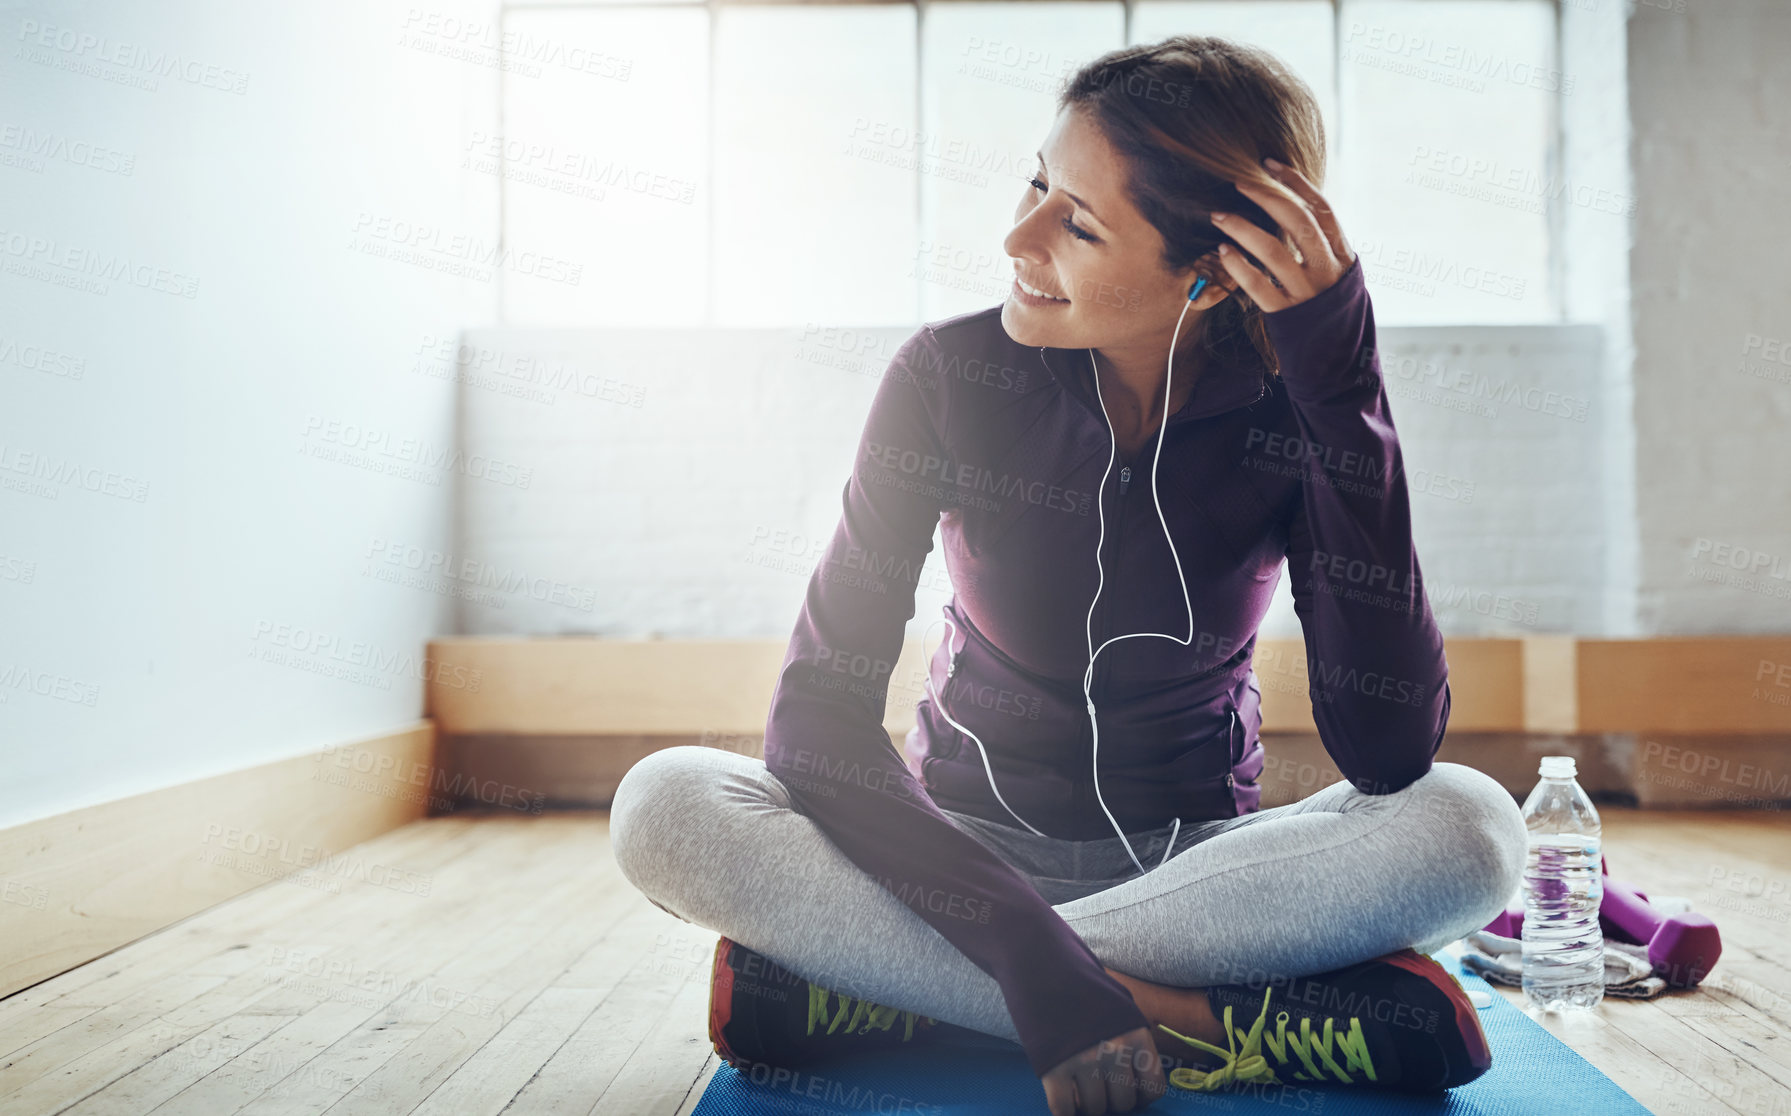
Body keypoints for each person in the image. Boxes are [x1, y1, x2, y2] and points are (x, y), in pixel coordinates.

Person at [610, 35, 1527, 1116]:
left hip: (1201, 877)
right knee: (666, 801)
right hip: (951, 865)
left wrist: (1345, 393)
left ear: (1213, 270)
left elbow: (1388, 751)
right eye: (1038, 184)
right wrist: (1030, 962)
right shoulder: (947, 376)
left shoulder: (1296, 409)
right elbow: (815, 724)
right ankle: (1182, 1016)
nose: (1017, 235)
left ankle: (905, 997)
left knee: (1470, 827)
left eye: (1077, 223)